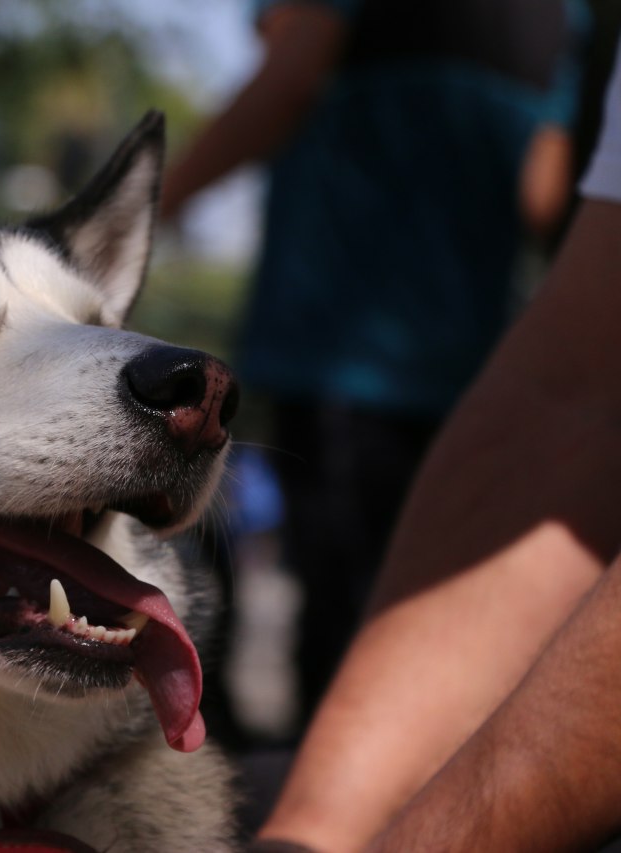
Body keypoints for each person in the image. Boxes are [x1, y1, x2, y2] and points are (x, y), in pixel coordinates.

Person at [161, 0, 586, 721]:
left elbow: (285, 80)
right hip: (474, 378)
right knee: (428, 633)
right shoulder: (564, 13)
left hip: (339, 357)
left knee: (336, 647)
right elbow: (543, 195)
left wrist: (153, 198)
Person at [251, 44, 621, 850]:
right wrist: (316, 832)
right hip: (442, 387)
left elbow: (288, 71)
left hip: (353, 376)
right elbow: (580, 391)